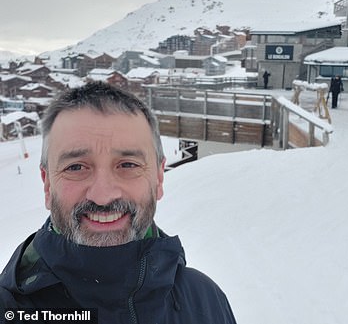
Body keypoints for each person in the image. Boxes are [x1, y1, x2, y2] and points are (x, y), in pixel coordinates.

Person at [0, 82, 237, 324]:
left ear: (158, 177)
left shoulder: (205, 300)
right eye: (76, 167)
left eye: (127, 165)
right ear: (47, 184)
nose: (103, 195)